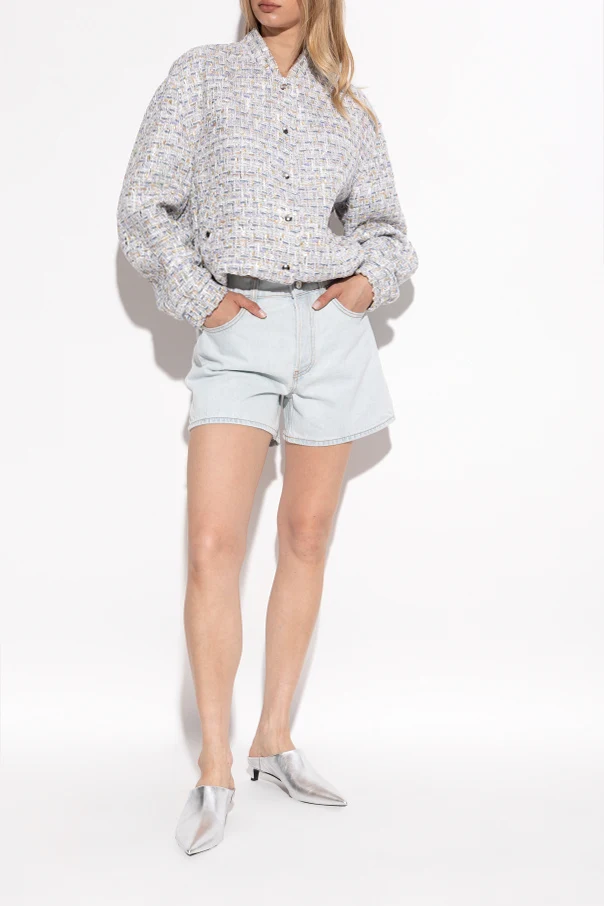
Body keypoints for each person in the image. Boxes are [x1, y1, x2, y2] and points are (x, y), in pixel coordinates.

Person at [116, 0, 418, 856]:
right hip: (238, 328)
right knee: (213, 544)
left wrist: (367, 283)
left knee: (307, 535)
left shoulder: (347, 105)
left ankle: (274, 739)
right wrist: (201, 298)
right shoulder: (202, 77)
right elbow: (143, 206)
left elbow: (390, 232)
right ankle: (214, 768)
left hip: (331, 333)